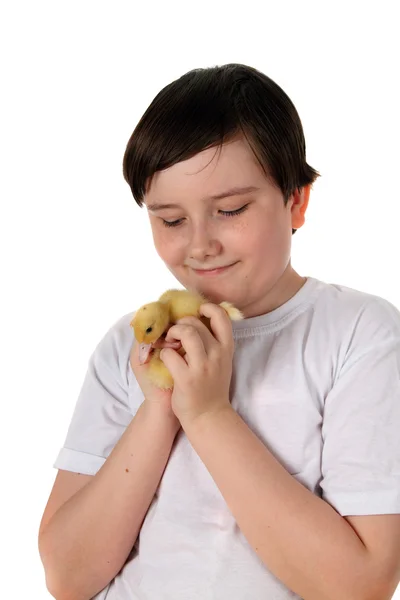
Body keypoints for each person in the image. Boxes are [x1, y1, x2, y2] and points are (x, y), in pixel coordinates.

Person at [38, 63, 400, 600]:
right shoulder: (131, 344)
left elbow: (359, 585)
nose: (199, 245)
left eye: (229, 209)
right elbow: (68, 578)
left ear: (297, 200)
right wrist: (161, 403)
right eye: (170, 220)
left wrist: (206, 412)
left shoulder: (359, 335)